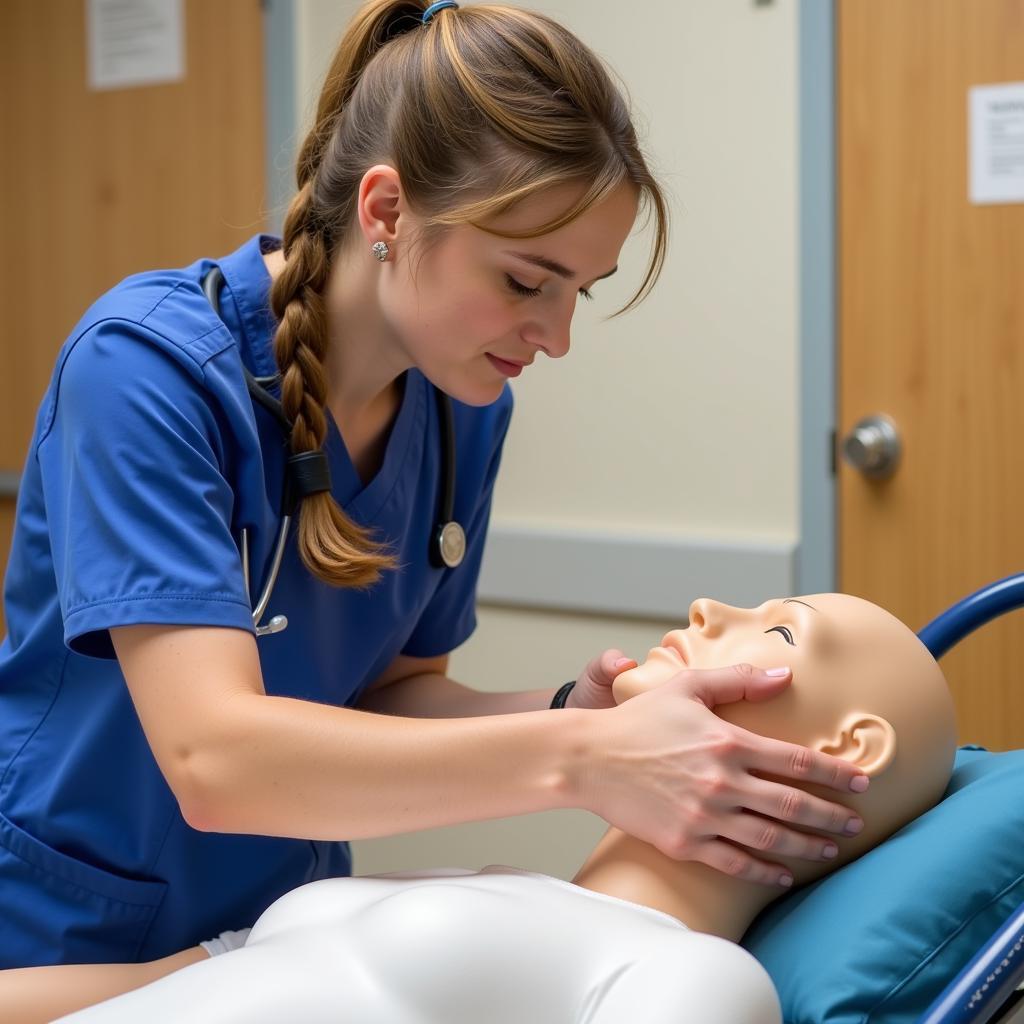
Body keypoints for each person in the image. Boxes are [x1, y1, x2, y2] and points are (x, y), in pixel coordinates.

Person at [0, 0, 869, 969]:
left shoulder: (462, 413)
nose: (557, 336)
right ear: (385, 211)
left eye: (578, 291)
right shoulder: (146, 372)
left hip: (266, 930)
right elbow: (216, 760)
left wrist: (570, 717)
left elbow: (390, 696)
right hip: (65, 927)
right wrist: (585, 764)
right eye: (525, 280)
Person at [0, 592, 956, 1022]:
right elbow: (158, 991)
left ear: (843, 752)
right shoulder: (494, 885)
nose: (710, 609)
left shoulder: (694, 980)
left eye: (780, 628)